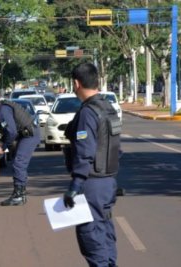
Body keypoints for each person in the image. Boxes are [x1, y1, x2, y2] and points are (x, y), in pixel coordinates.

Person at [63, 63, 121, 267]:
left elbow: (85, 151)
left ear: (76, 83)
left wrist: (75, 186)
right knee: (104, 231)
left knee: (90, 235)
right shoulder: (108, 107)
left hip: (92, 183)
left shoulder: (88, 112)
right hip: (108, 181)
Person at [0, 93, 40, 206]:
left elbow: (12, 131)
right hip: (25, 135)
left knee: (19, 163)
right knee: (18, 164)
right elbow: (8, 130)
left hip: (29, 135)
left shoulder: (2, 110)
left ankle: (19, 195)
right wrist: (2, 142)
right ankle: (20, 194)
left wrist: (4, 147)